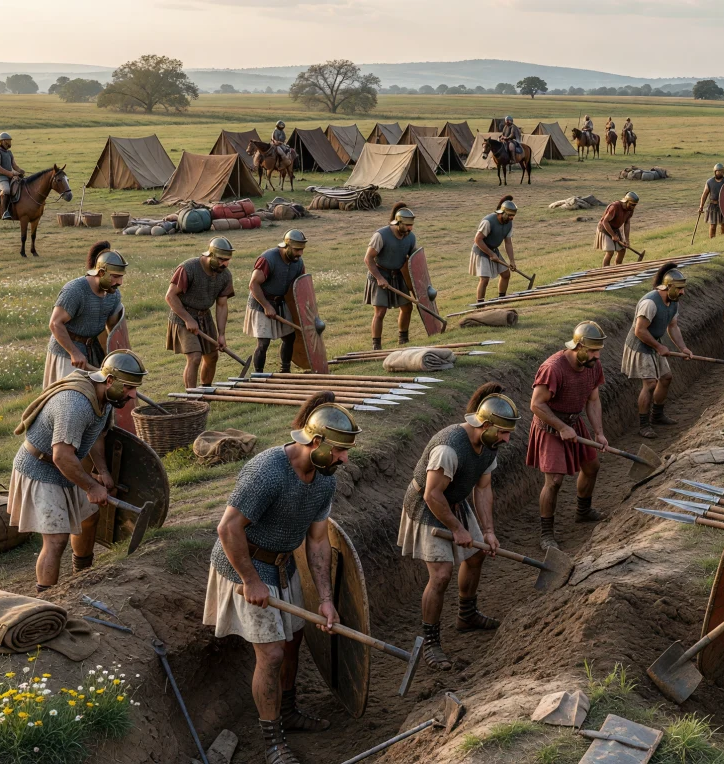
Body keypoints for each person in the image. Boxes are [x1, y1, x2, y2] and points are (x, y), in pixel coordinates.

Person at [204, 394, 359, 763]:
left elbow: (318, 541)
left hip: (283, 567)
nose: (344, 459)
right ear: (316, 442)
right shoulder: (268, 470)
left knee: (293, 641)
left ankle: (287, 711)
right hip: (243, 567)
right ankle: (273, 742)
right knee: (271, 653)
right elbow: (228, 529)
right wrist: (251, 579)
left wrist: (324, 598)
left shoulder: (325, 481)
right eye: (339, 451)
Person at [397, 383, 517, 670]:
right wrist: (458, 530)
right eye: (503, 432)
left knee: (476, 555)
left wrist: (488, 531)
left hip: (453, 500)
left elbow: (484, 489)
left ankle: (467, 614)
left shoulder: (490, 445)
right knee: (440, 575)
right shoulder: (448, 448)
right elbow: (431, 494)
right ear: (486, 425)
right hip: (428, 505)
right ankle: (431, 643)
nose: (508, 439)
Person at [10, 350, 147, 591]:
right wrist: (92, 486)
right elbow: (61, 456)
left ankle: (81, 577)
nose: (133, 395)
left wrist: (102, 471)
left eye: (134, 388)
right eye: (128, 388)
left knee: (89, 516)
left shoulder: (105, 398)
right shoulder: (74, 405)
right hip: (40, 468)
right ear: (110, 380)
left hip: (66, 464)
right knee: (56, 540)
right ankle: (46, 601)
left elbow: (94, 436)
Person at [528, 321, 609, 550]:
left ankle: (583, 511)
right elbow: (536, 405)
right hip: (549, 427)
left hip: (574, 421)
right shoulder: (553, 368)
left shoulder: (593, 366)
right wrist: (561, 427)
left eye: (599, 350)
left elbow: (593, 400)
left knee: (592, 466)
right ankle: (546, 534)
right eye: (593, 350)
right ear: (578, 347)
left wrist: (599, 433)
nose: (597, 356)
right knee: (553, 481)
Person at [622, 263, 693, 438]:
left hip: (653, 344)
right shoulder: (649, 303)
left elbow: (673, 326)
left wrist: (683, 348)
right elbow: (640, 330)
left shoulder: (673, 301)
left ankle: (657, 416)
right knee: (650, 384)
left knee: (666, 378)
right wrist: (659, 346)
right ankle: (644, 425)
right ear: (668, 287)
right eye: (679, 289)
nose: (683, 292)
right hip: (639, 345)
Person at [45, 243, 127, 389]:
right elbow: (55, 324)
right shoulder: (75, 290)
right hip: (67, 354)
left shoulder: (113, 294)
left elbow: (114, 331)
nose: (119, 282)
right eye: (115, 277)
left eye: (121, 277)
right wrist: (74, 352)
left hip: (92, 352)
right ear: (101, 273)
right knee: (69, 400)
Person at [165, 237, 235, 390]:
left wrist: (221, 334)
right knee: (195, 357)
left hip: (205, 316)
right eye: (222, 259)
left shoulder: (225, 275)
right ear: (211, 255)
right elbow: (170, 296)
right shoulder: (188, 268)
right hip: (182, 315)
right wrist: (188, 319)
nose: (225, 264)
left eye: (228, 260)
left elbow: (222, 305)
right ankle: (191, 397)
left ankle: (205, 390)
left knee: (212, 357)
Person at [245, 229, 307, 373]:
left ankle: (285, 370)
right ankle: (258, 374)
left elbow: (301, 286)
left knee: (289, 337)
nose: (300, 253)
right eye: (297, 249)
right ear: (287, 246)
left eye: (302, 249)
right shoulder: (268, 259)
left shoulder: (298, 262)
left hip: (282, 302)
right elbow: (253, 284)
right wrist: (266, 306)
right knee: (263, 342)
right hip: (261, 301)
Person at [363, 204, 419, 349]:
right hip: (380, 274)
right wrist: (379, 278)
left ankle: (403, 339)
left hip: (397, 275)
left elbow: (414, 260)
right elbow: (368, 259)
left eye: (411, 225)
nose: (410, 228)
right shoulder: (381, 235)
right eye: (407, 225)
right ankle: (376, 345)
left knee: (407, 307)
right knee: (380, 311)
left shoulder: (410, 237)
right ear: (398, 222)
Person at [470, 196, 518, 304]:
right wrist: (491, 254)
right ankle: (480, 304)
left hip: (493, 250)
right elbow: (477, 240)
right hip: (481, 250)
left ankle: (501, 299)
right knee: (485, 279)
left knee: (506, 274)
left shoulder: (509, 223)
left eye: (513, 216)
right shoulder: (488, 221)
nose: (512, 218)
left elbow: (508, 242)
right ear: (503, 212)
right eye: (510, 215)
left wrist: (512, 261)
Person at [595, 192, 638, 267]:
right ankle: (606, 271)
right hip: (605, 228)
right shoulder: (614, 207)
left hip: (615, 229)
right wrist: (613, 235)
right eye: (632, 204)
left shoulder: (630, 209)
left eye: (635, 205)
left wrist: (627, 239)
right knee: (610, 251)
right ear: (626, 201)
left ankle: (618, 267)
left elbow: (627, 223)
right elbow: (605, 221)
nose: (633, 207)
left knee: (622, 250)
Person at [0, 131, 24, 220]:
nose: (10, 143)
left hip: (9, 176)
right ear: (3, 141)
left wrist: (20, 171)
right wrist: (10, 174)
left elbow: (14, 165)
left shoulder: (9, 153)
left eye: (10, 141)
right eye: (8, 141)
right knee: (6, 190)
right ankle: (4, 212)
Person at [699, 163, 724, 239]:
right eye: (718, 171)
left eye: (721, 171)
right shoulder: (710, 182)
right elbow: (704, 194)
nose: (720, 173)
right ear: (715, 172)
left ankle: (723, 240)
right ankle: (712, 240)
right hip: (713, 206)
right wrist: (701, 206)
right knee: (713, 226)